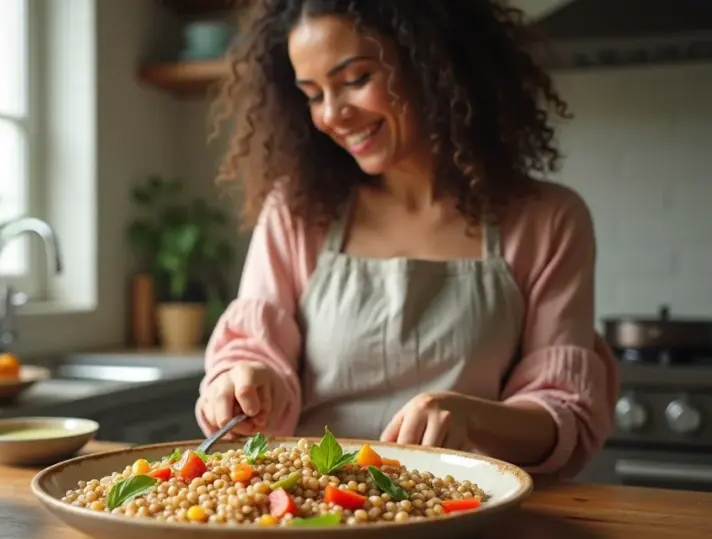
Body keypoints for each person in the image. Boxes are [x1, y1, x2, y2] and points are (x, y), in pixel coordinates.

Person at [195, 0, 620, 479]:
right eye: (313, 95)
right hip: (309, 502)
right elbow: (254, 351)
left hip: (467, 505)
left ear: (433, 61)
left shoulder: (547, 220)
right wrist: (246, 383)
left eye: (356, 79)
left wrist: (472, 416)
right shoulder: (296, 213)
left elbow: (563, 411)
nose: (332, 114)